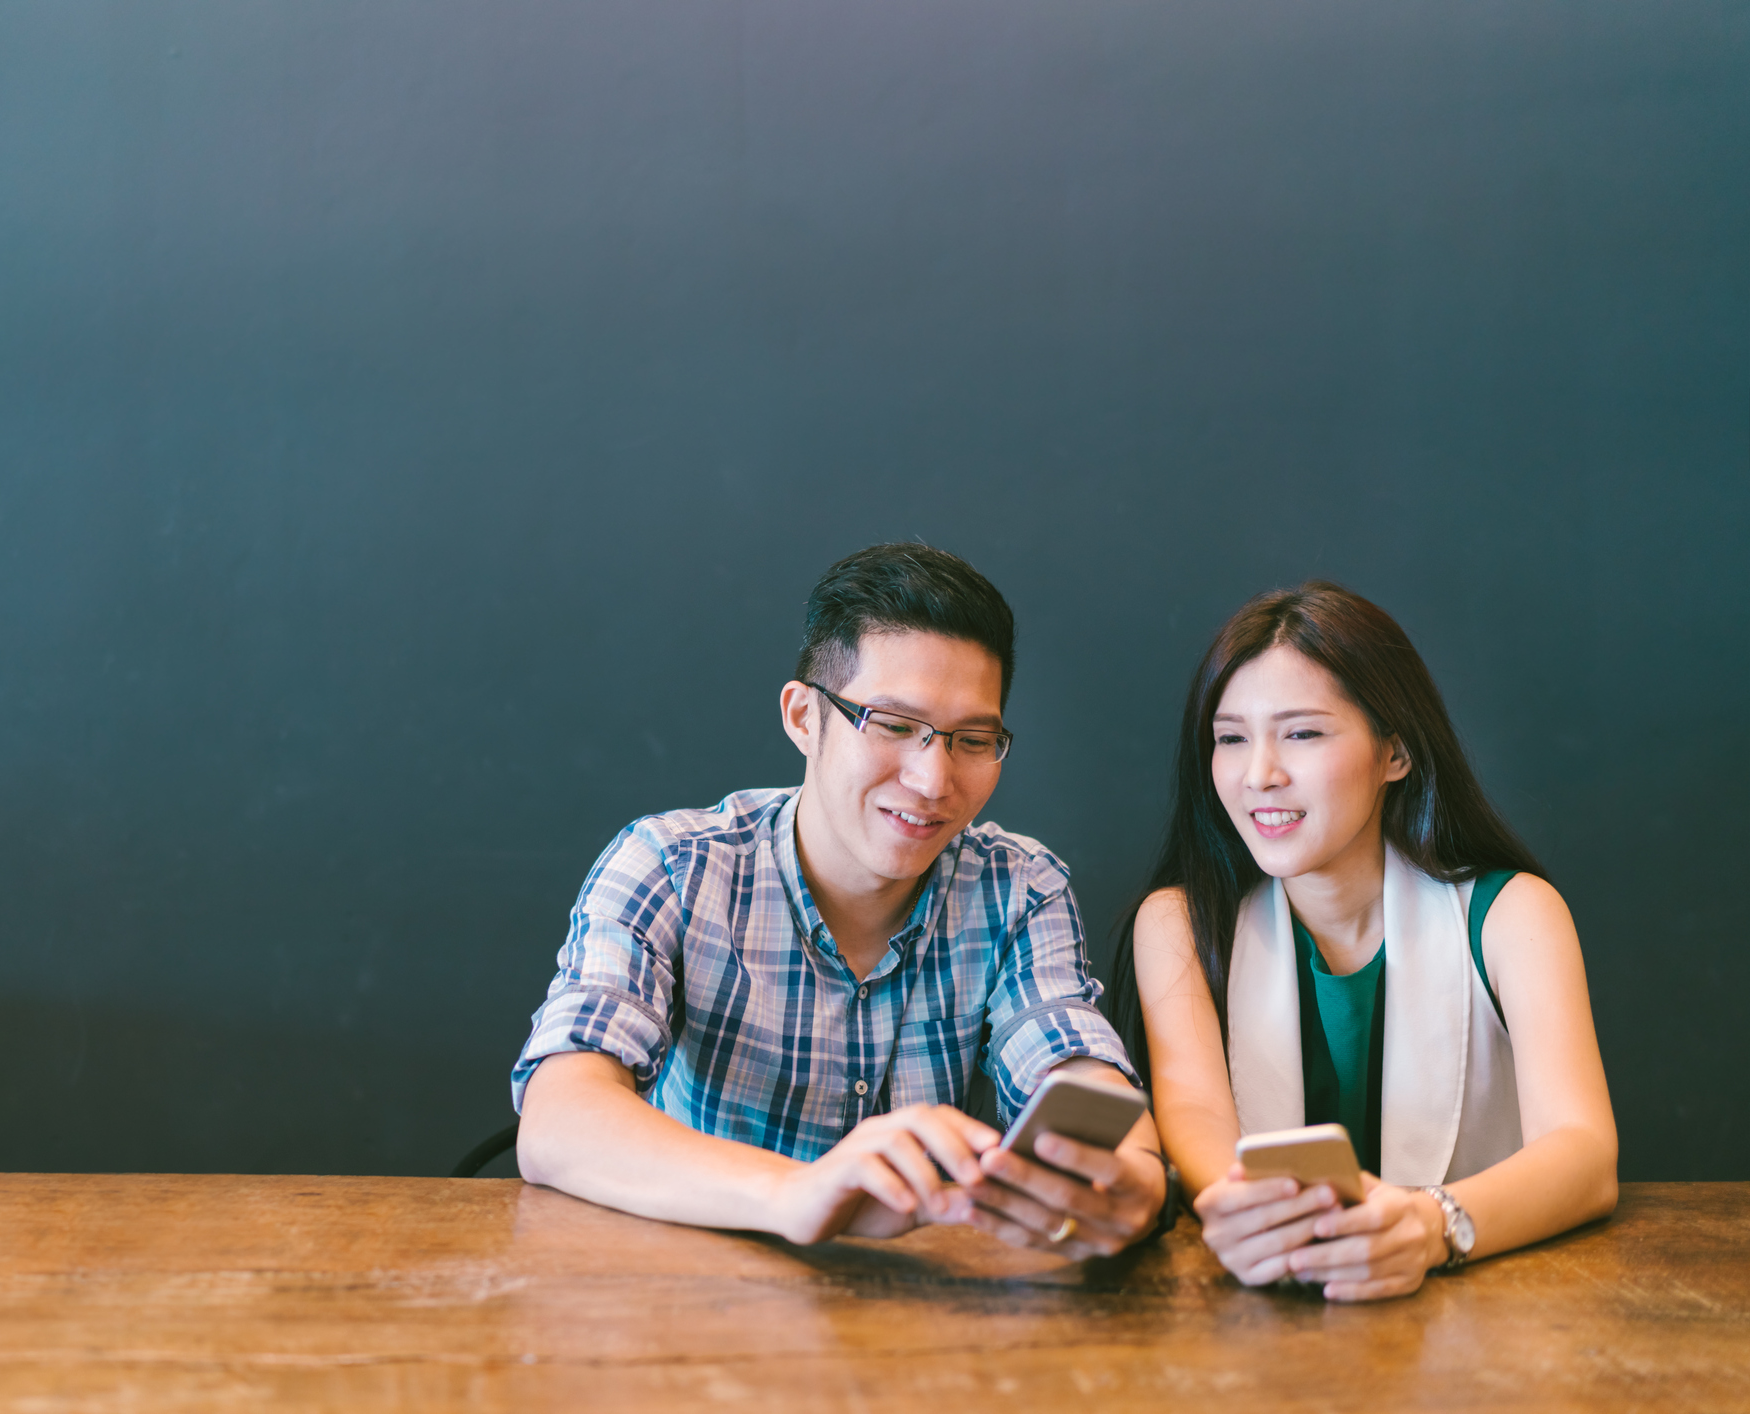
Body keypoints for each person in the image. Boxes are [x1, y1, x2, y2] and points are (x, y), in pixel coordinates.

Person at [513, 544, 1169, 1252]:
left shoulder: (1018, 887)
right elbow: (557, 1121)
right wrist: (796, 1193)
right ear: (803, 716)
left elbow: (1071, 1066)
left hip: (912, 1310)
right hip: (696, 1283)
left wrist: (1134, 1174)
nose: (932, 780)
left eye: (972, 738)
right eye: (891, 725)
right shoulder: (674, 866)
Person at [1115, 581, 1616, 1302]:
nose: (1259, 775)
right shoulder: (1178, 923)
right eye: (1230, 738)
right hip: (1268, 1314)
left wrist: (1432, 1223)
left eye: (1302, 733)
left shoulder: (1512, 915)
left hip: (1492, 1312)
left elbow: (1585, 1154)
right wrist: (1263, 1218)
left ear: (1397, 752)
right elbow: (1194, 1114)